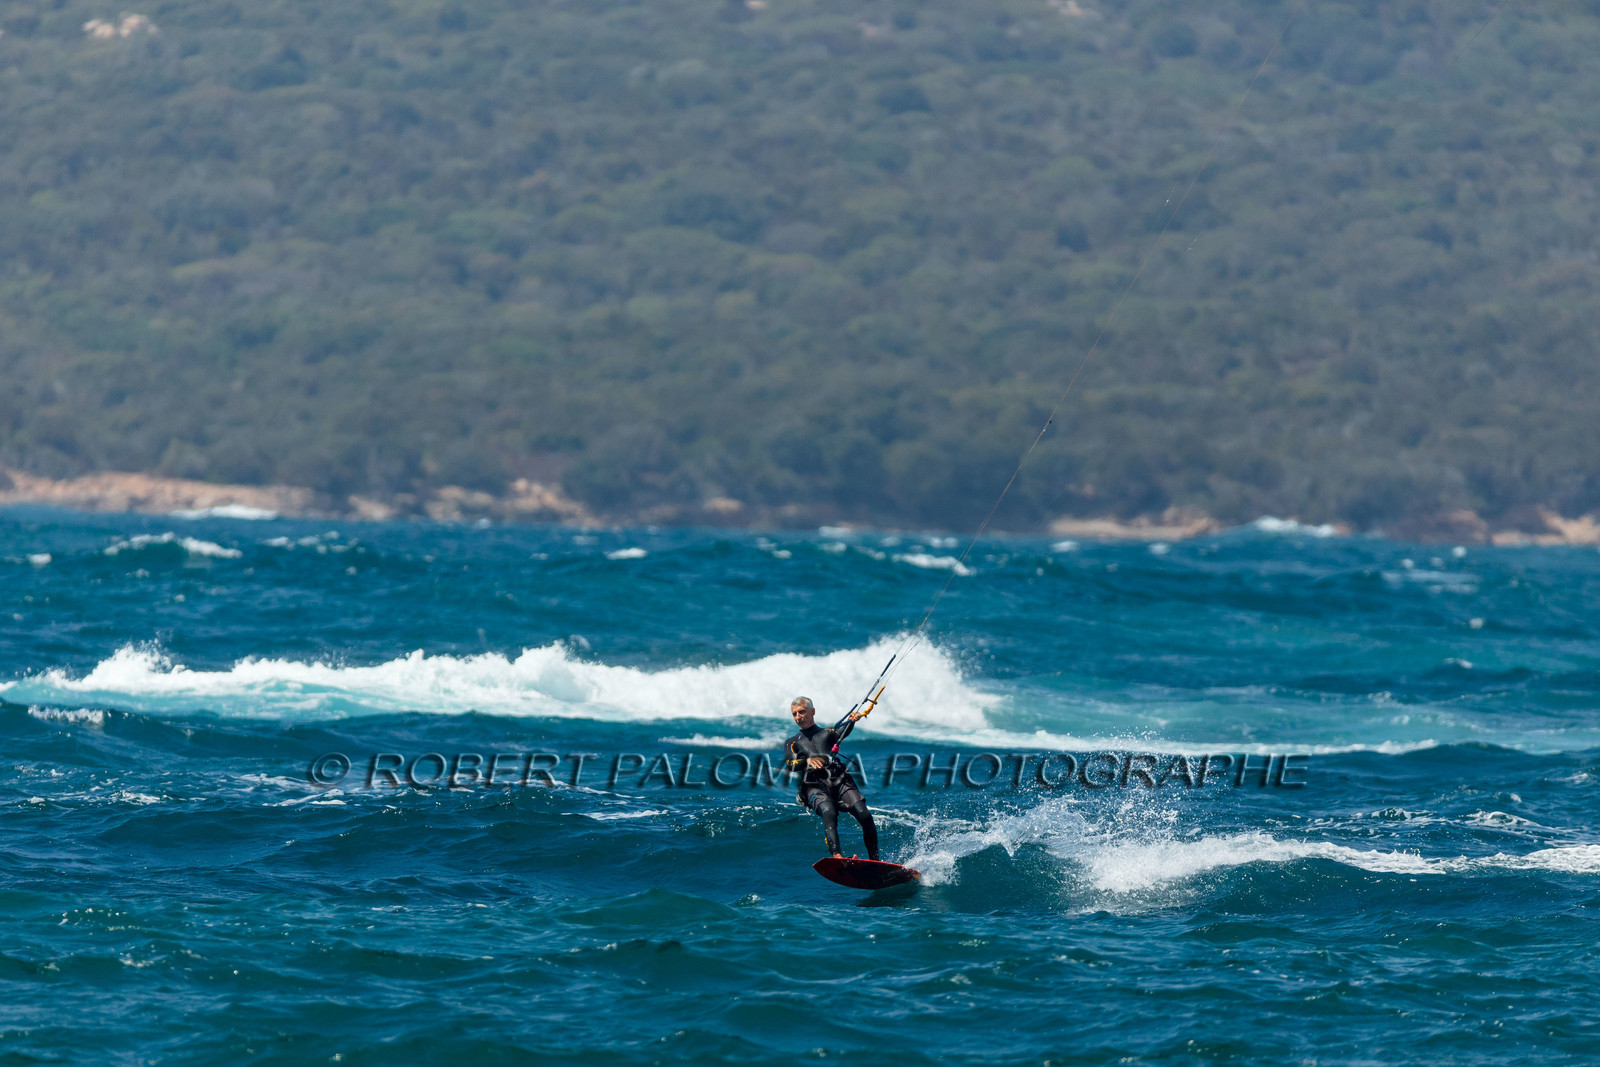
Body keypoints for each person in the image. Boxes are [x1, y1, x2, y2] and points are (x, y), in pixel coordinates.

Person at [781, 695, 879, 861]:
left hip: (839, 780)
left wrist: (853, 720)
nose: (798, 717)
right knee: (829, 811)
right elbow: (791, 764)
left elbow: (842, 731)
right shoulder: (792, 742)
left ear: (813, 711)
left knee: (864, 815)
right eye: (795, 714)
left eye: (802, 712)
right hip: (814, 785)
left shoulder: (827, 733)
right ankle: (837, 856)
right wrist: (807, 760)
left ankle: (875, 860)